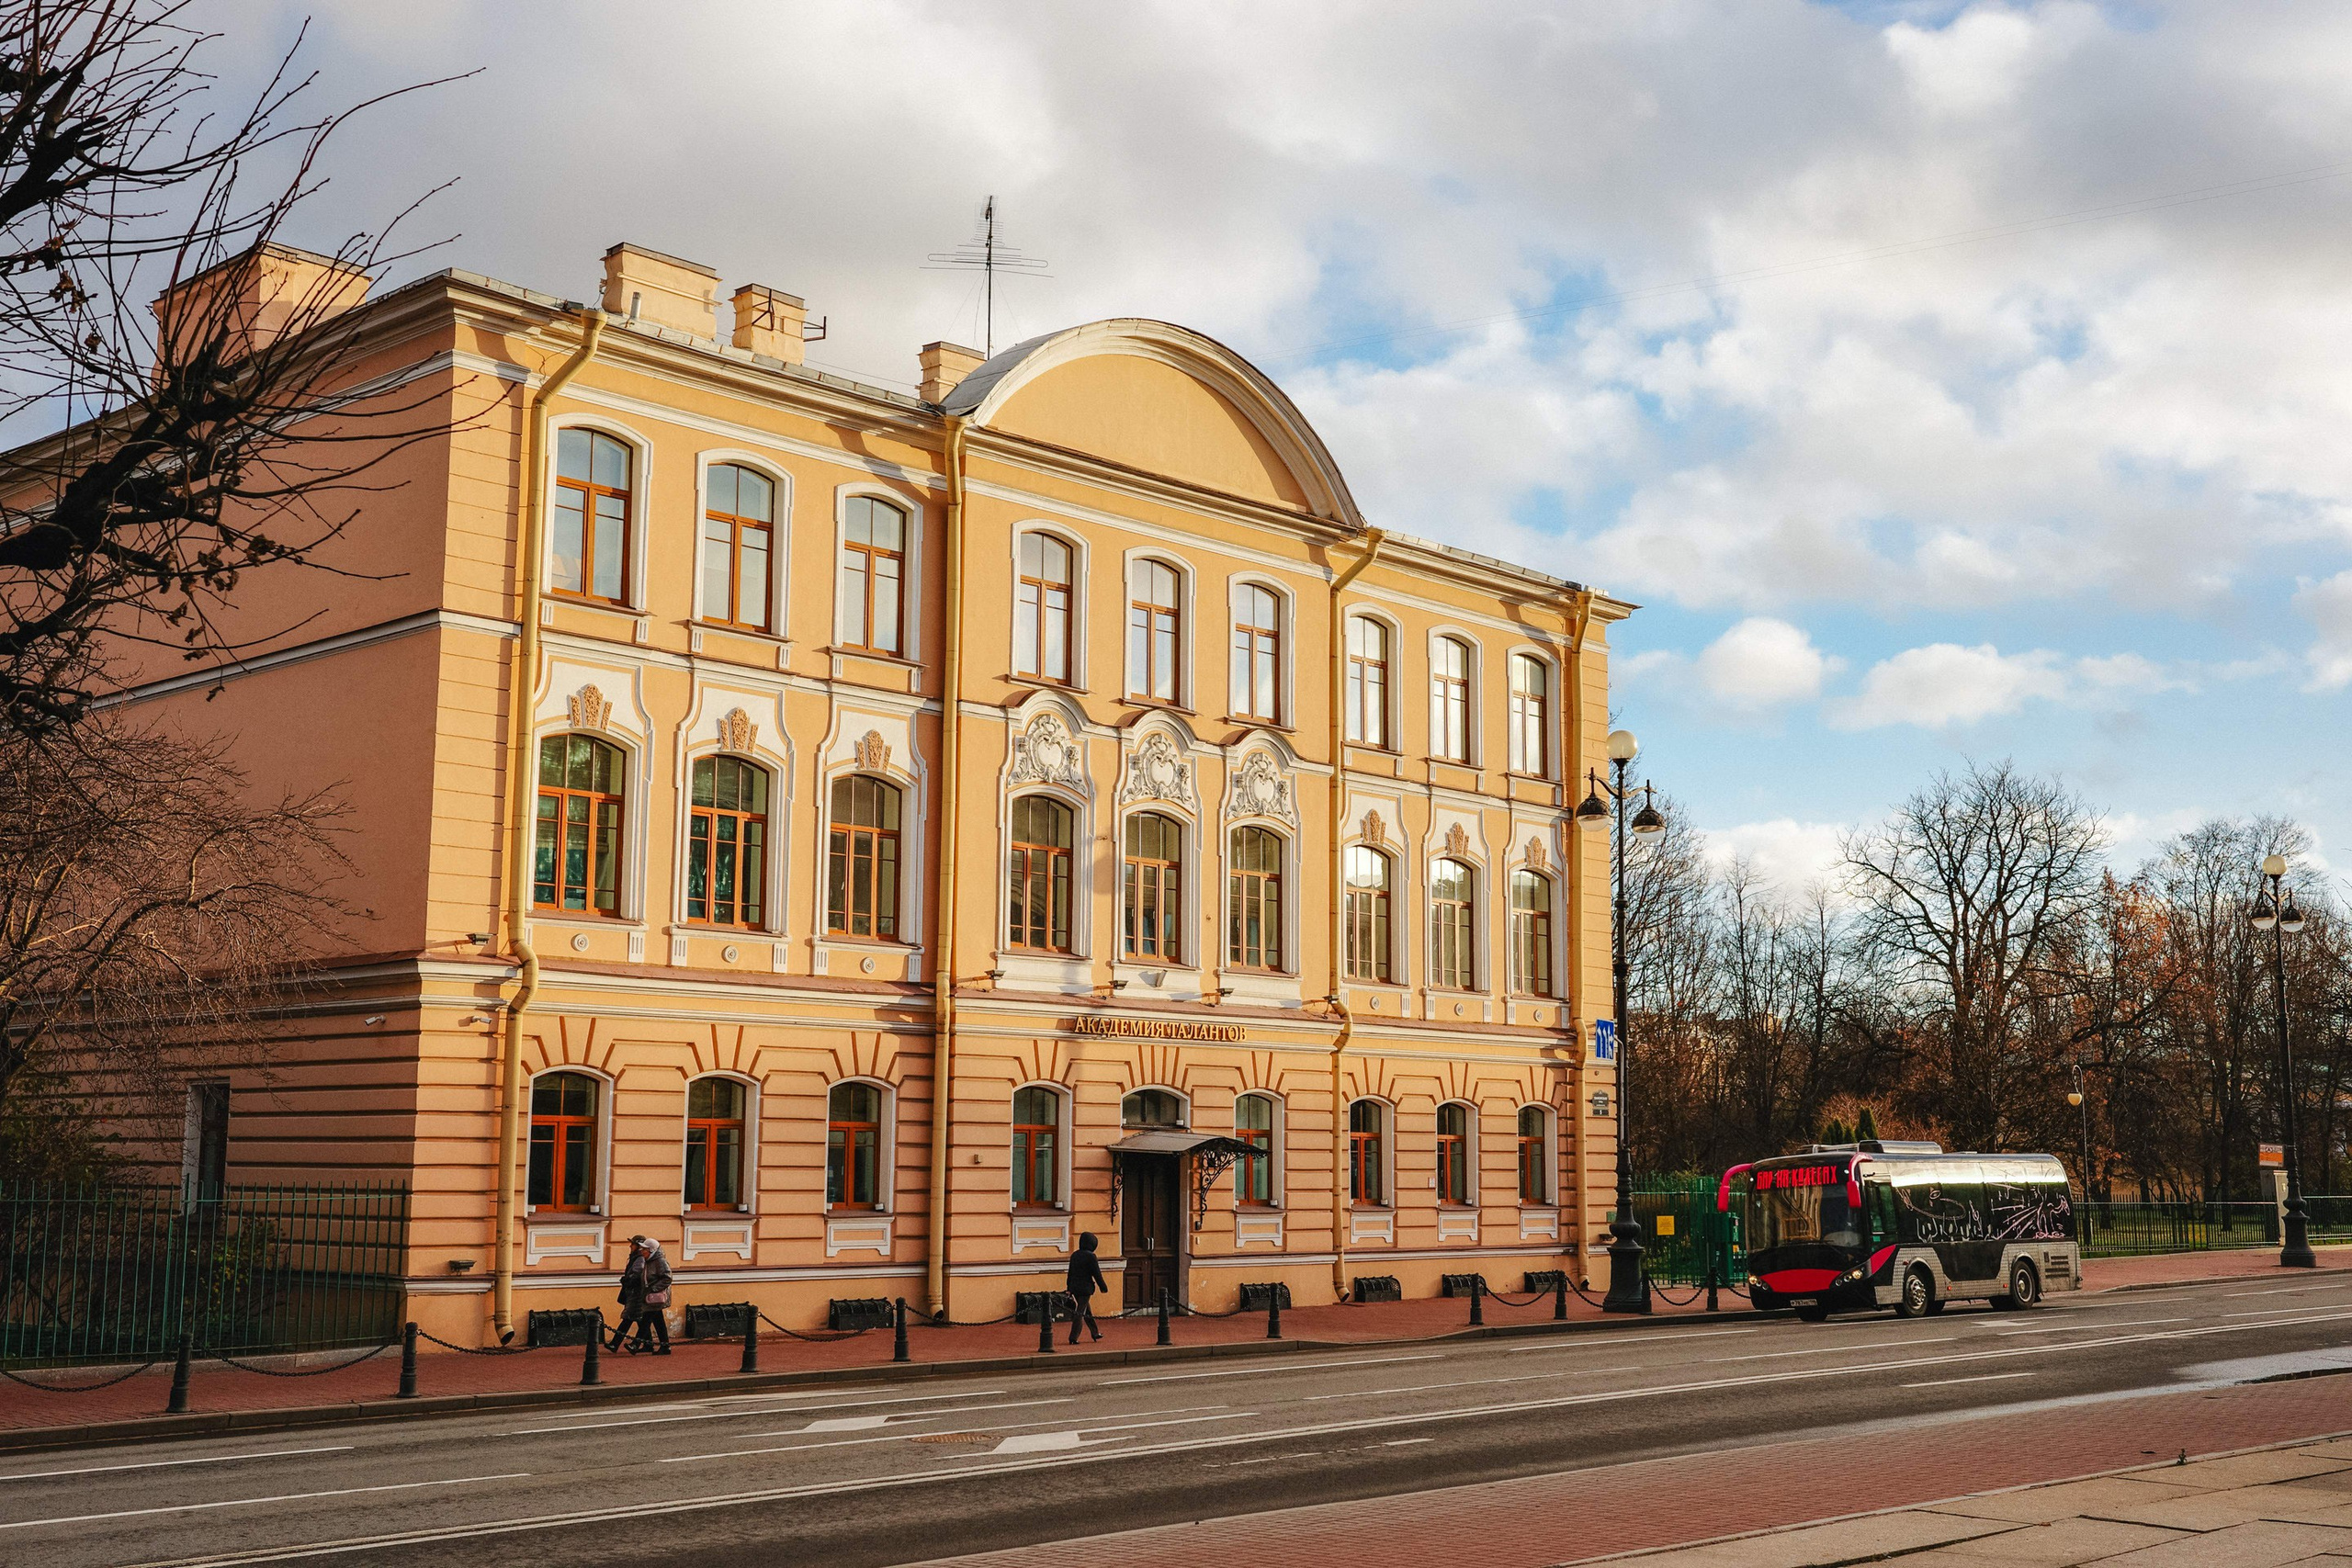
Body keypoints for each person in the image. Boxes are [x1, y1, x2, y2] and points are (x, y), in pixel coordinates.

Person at [611, 1235, 673, 1354]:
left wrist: (653, 1288)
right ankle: (665, 1346)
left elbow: (667, 1278)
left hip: (656, 1296)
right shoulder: (648, 1260)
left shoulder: (660, 1261)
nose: (642, 1251)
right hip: (650, 1296)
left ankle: (636, 1344)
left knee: (646, 1320)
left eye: (645, 1249)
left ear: (652, 1250)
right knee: (658, 1322)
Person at [1065, 1231, 1108, 1344]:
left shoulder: (1075, 1255)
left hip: (1075, 1287)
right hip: (1085, 1288)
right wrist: (1103, 1287)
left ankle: (1095, 1333)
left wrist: (1068, 1288)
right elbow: (1097, 1274)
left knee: (1086, 1311)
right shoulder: (1091, 1256)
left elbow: (1070, 1273)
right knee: (1080, 1313)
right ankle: (1073, 1337)